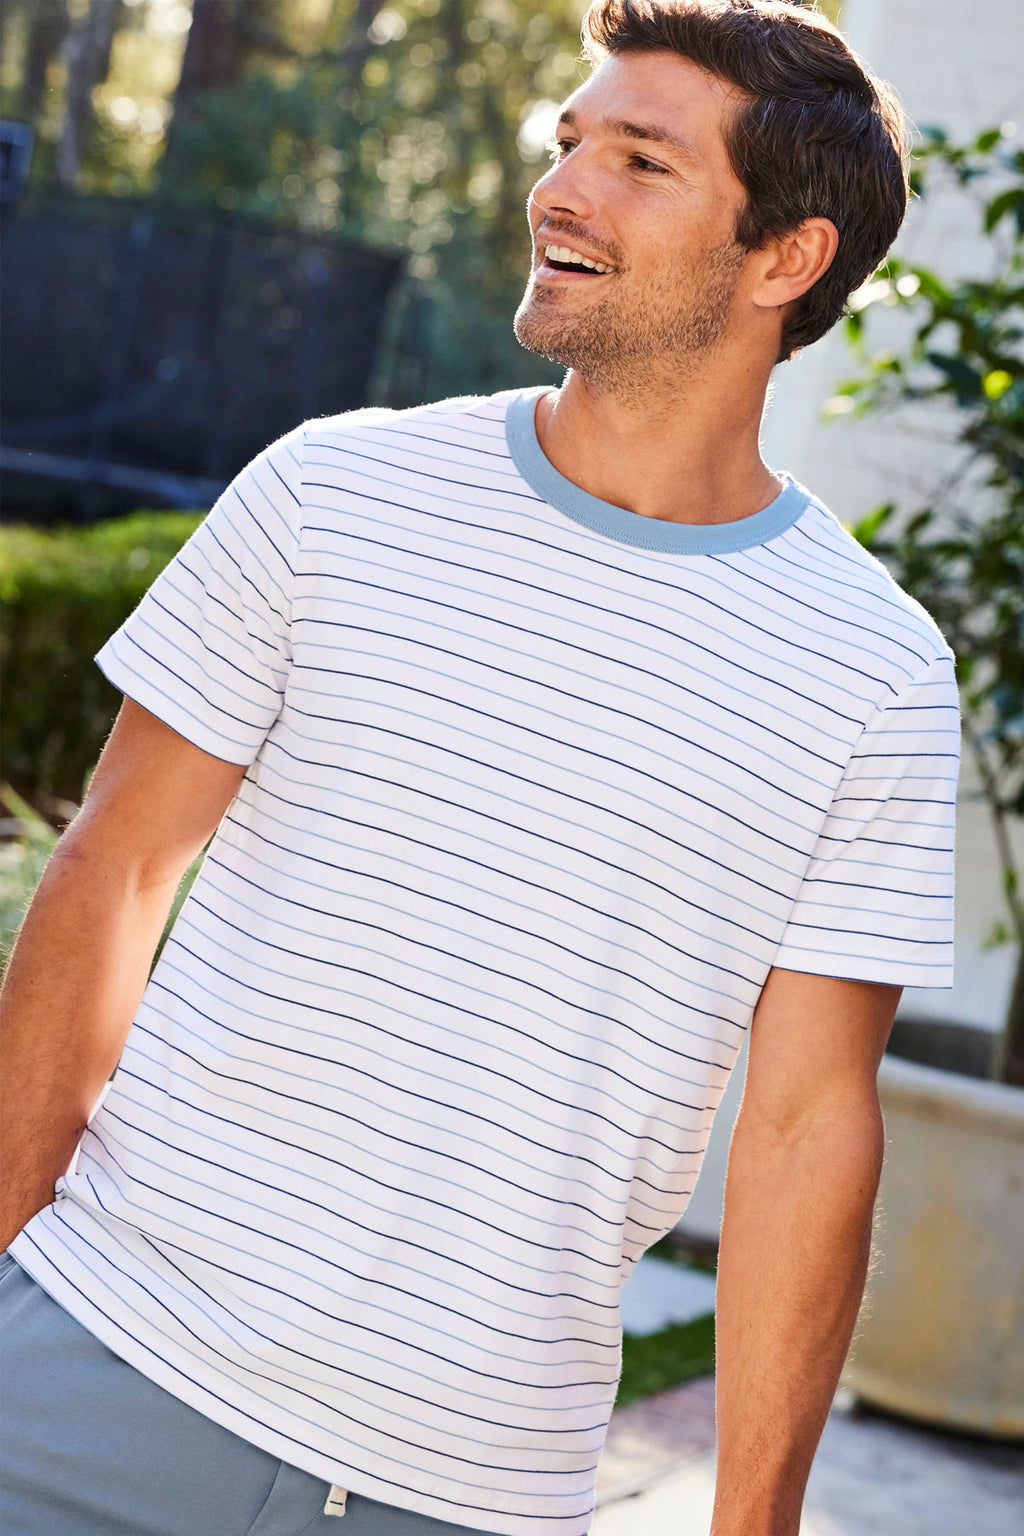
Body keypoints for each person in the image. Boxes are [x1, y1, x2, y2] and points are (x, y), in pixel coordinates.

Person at [0, 3, 960, 1534]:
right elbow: (114, 871)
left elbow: (805, 1129)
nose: (562, 187)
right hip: (93, 1377)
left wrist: (754, 1522)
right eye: (570, 141)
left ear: (786, 258)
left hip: (472, 1487)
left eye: (642, 161)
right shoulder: (333, 495)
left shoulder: (873, 672)